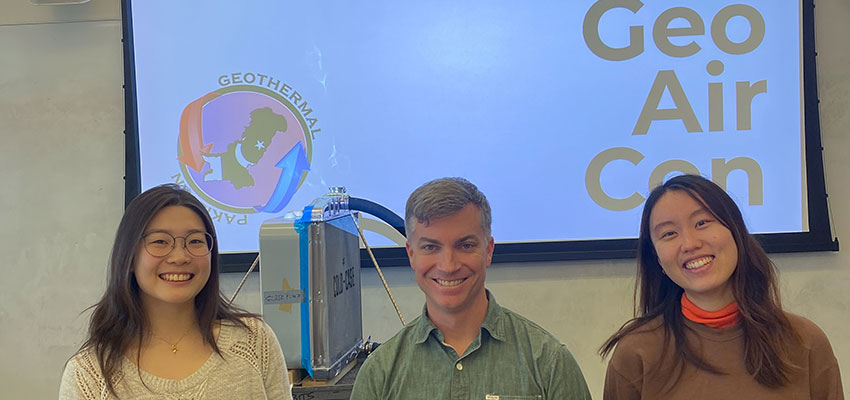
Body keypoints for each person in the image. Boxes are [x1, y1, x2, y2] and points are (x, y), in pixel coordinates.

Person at [600, 174, 843, 399]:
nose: (690, 243)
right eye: (669, 234)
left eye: (702, 222)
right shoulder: (635, 353)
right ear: (657, 259)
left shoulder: (804, 341)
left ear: (736, 232)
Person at [351, 177, 591, 400]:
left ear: (488, 251)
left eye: (465, 245)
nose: (448, 266)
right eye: (430, 247)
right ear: (411, 254)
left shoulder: (549, 363)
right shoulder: (379, 375)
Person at [59, 184, 291, 399]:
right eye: (160, 241)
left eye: (195, 241)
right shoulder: (89, 373)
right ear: (129, 257)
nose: (180, 257)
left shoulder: (255, 341)